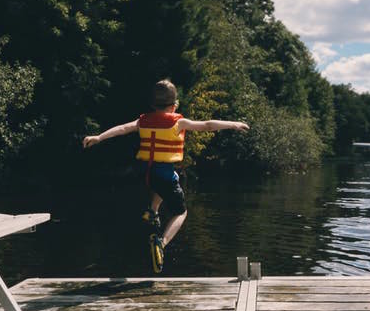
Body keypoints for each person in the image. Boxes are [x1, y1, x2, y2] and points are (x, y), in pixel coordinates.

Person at [83, 79, 249, 273]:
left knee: (166, 181)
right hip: (164, 175)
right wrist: (233, 124)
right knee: (181, 212)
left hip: (147, 173)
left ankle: (152, 210)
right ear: (174, 104)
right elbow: (207, 125)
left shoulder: (143, 121)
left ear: (153, 105)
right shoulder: (178, 122)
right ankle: (162, 242)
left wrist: (98, 137)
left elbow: (121, 129)